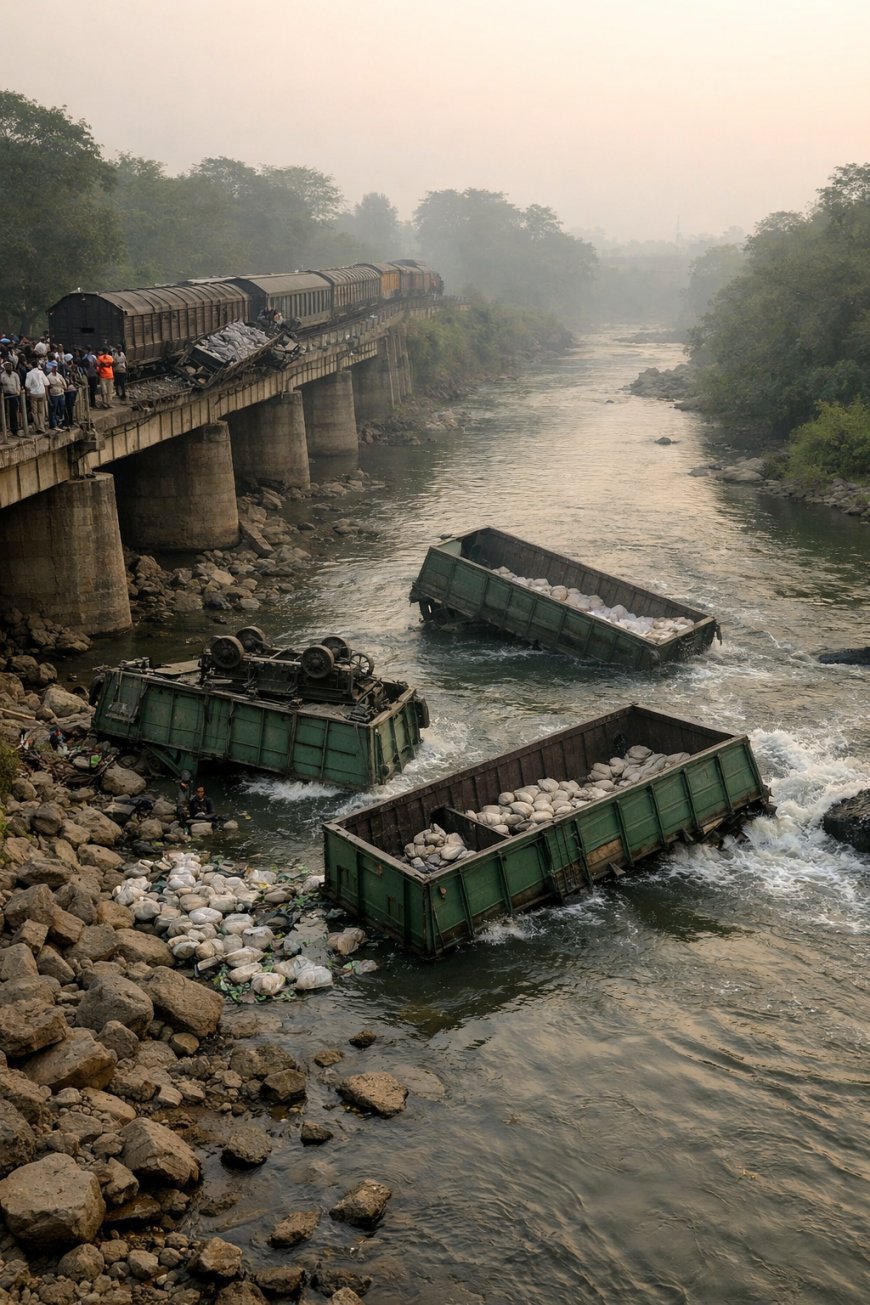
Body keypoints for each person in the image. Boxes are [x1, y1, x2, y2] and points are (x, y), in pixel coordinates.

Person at [24, 361, 50, 433]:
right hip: (42, 393)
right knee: (41, 411)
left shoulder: (29, 374)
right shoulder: (41, 372)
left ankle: (37, 427)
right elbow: (47, 383)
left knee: (34, 411)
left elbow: (27, 385)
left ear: (31, 366)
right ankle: (42, 426)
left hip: (34, 394)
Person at [1, 360, 21, 436]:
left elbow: (18, 383)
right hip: (6, 395)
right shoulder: (2, 375)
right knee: (5, 412)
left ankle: (15, 429)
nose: (9, 367)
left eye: (10, 365)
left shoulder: (15, 374)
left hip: (14, 395)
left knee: (14, 412)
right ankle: (6, 428)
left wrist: (18, 391)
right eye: (7, 366)